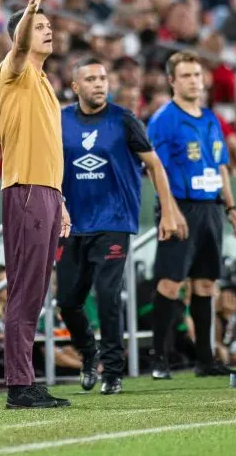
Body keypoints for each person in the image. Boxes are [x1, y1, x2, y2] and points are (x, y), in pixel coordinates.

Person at [58, 58, 182, 395]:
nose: (99, 84)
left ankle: (112, 371)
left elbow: (155, 166)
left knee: (109, 294)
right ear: (75, 87)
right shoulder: (60, 120)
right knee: (68, 301)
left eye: (103, 78)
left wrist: (168, 211)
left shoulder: (124, 120)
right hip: (72, 223)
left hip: (114, 221)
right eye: (91, 79)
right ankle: (88, 354)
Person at [0, 0, 71, 410]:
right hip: (25, 191)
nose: (48, 30)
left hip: (45, 192)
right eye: (39, 25)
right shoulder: (14, 70)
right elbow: (21, 45)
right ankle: (18, 385)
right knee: (24, 290)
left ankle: (26, 379)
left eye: (48, 25)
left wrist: (61, 199)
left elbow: (49, 150)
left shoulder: (43, 83)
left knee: (36, 292)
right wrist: (29, 11)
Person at [146, 51, 236, 379]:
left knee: (205, 284)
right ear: (172, 80)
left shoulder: (211, 119)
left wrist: (230, 206)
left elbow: (221, 166)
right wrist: (169, 212)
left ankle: (205, 358)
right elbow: (154, 168)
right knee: (171, 283)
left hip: (210, 207)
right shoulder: (164, 119)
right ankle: (159, 357)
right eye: (186, 75)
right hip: (180, 206)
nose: (194, 81)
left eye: (197, 75)